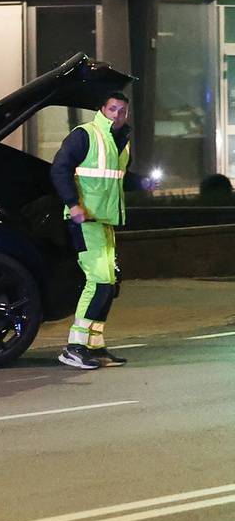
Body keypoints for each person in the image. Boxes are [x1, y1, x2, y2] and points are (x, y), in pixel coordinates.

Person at [52, 92, 157, 370]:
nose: (117, 115)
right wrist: (73, 205)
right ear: (102, 109)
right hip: (84, 221)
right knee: (98, 281)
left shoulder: (119, 143)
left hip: (105, 220)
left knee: (109, 285)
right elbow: (59, 169)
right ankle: (74, 348)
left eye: (122, 111)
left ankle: (95, 347)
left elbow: (116, 179)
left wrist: (143, 183)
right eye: (113, 109)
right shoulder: (85, 135)